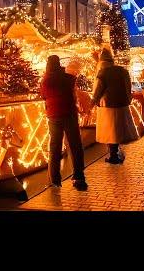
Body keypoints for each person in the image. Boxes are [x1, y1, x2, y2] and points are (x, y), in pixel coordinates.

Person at [40, 55, 88, 191]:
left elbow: (43, 96)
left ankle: (55, 180)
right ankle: (79, 177)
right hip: (69, 114)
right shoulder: (69, 78)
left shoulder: (45, 80)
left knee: (54, 147)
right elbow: (73, 95)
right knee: (75, 145)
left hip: (53, 116)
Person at [92, 48, 138, 164]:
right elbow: (128, 87)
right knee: (118, 130)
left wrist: (93, 102)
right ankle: (115, 152)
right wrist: (128, 99)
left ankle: (113, 155)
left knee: (110, 131)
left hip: (107, 106)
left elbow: (97, 90)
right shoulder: (122, 71)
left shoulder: (102, 73)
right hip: (121, 103)